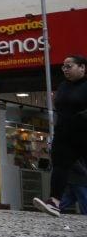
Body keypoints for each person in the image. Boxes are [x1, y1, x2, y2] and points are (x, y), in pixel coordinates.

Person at [34, 55, 87, 217]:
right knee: (60, 165)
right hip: (65, 133)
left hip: (84, 133)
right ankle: (54, 202)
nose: (65, 70)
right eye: (63, 67)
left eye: (69, 66)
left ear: (82, 67)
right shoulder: (63, 86)